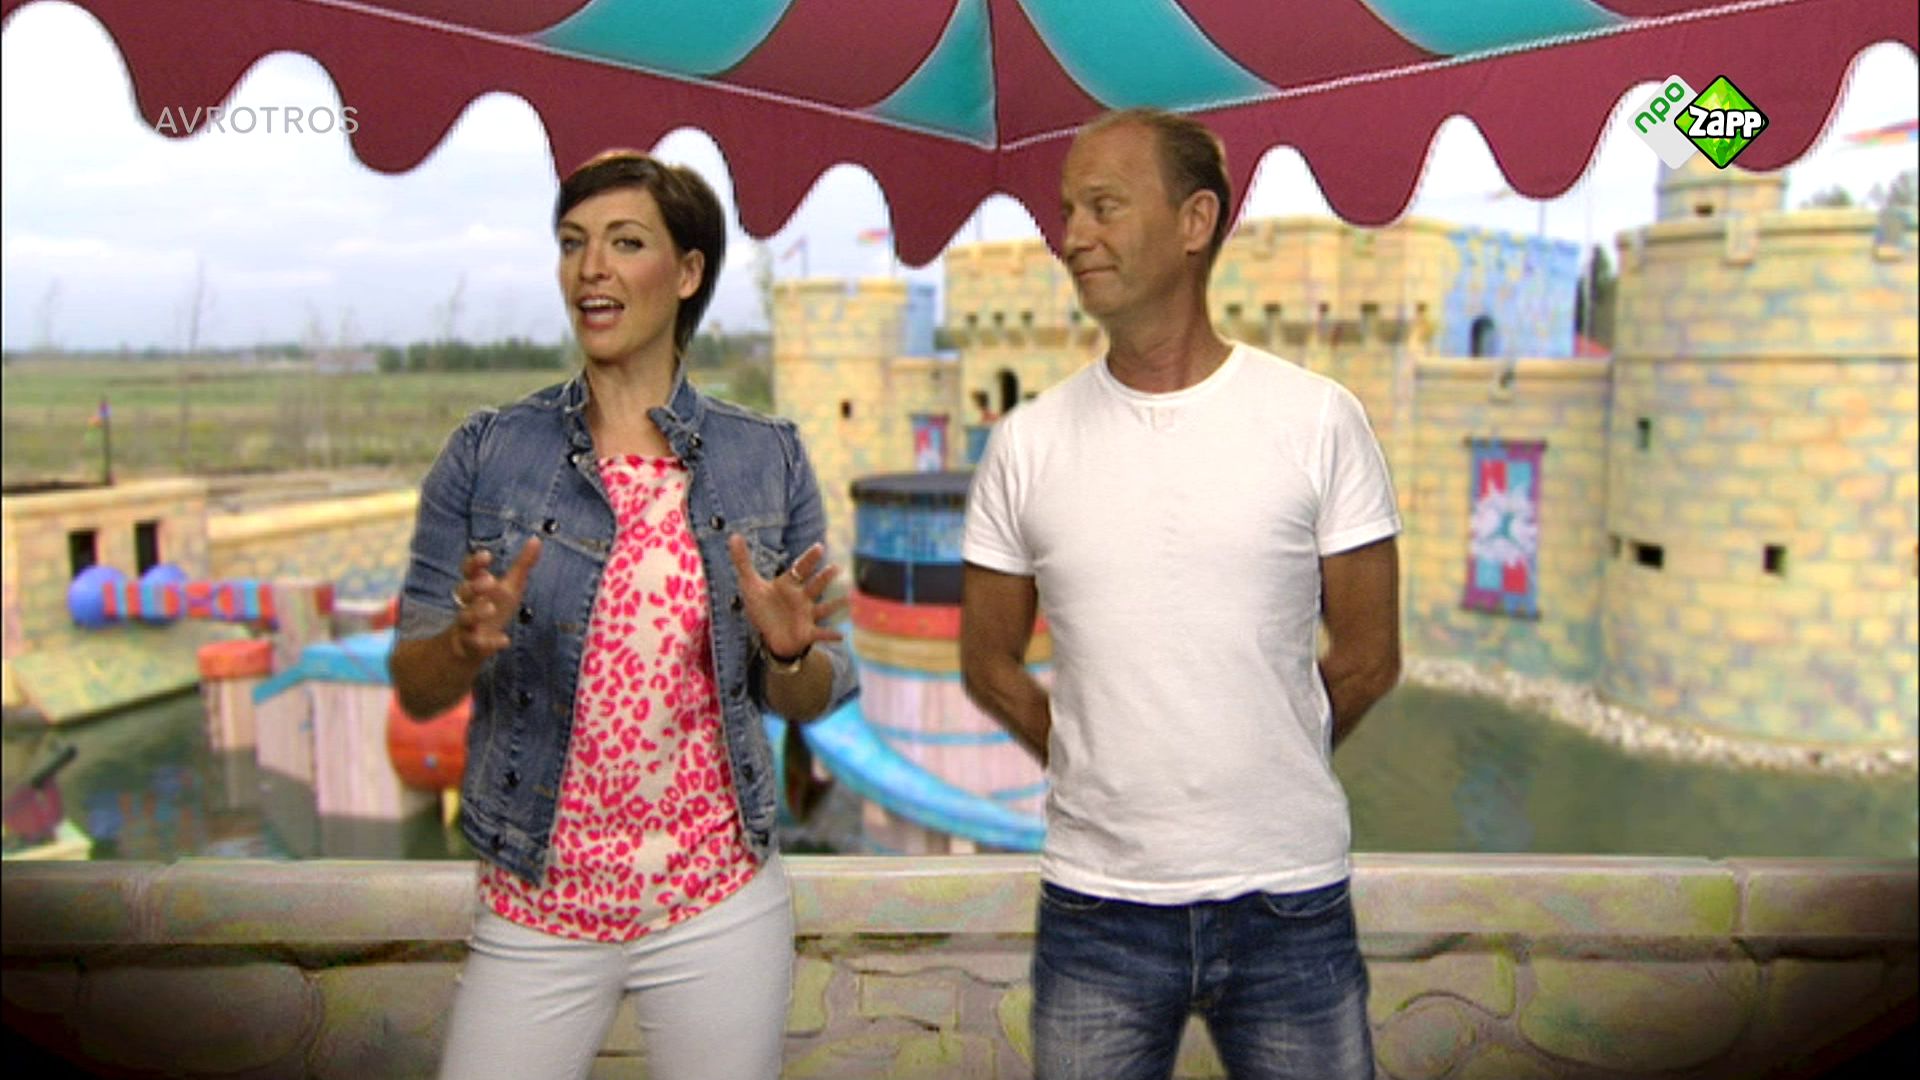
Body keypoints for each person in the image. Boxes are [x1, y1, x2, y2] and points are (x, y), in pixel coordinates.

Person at [389, 151, 857, 1080]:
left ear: (686, 273)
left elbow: (816, 694)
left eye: (625, 243)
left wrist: (787, 655)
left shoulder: (768, 459)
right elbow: (415, 682)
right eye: (573, 244)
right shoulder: (487, 454)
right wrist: (465, 643)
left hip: (718, 907)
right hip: (536, 909)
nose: (591, 268)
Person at [960, 109, 1402, 1080]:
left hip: (1290, 902)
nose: (1073, 237)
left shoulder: (1318, 421)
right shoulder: (1027, 445)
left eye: (1105, 207)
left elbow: (1371, 658)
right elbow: (987, 664)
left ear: (1195, 221)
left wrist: (1266, 761)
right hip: (1095, 908)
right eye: (1067, 212)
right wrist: (1096, 761)